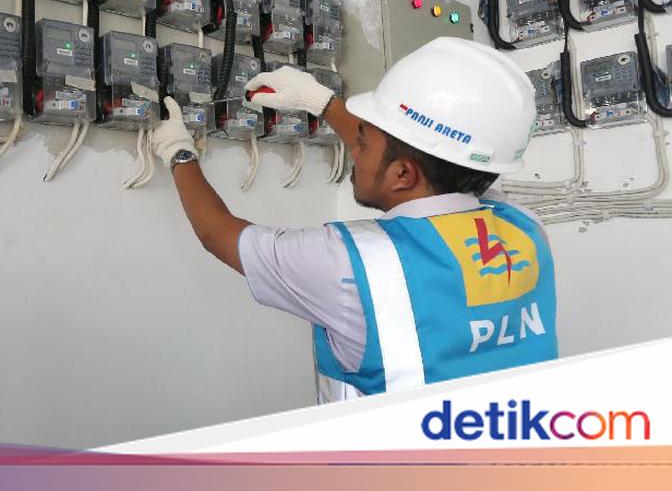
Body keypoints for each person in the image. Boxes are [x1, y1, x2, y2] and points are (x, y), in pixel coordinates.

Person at [151, 37, 557, 402]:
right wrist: (320, 102)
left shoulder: (350, 264)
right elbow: (420, 159)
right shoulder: (523, 226)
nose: (353, 150)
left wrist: (179, 151)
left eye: (361, 143)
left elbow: (217, 232)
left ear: (403, 175)